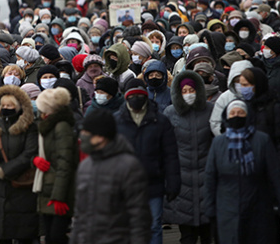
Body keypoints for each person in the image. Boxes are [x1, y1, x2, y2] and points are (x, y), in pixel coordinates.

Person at [205, 100, 280, 243]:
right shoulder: (219, 143)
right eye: (232, 113)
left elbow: (275, 174)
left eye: (241, 113)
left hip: (258, 208)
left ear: (248, 116)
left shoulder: (262, 140)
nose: (236, 116)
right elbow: (210, 176)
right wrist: (209, 206)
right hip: (227, 209)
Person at [71, 109, 152, 243]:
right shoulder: (85, 167)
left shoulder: (129, 167)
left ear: (101, 137)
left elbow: (139, 217)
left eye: (86, 133)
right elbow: (80, 216)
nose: (82, 136)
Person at [115, 79, 181, 244]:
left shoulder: (160, 120)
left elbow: (170, 154)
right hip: (125, 185)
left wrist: (173, 182)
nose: (136, 98)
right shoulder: (117, 121)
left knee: (153, 225)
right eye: (132, 95)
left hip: (153, 182)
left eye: (139, 95)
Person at [0, 85, 39, 244]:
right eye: (4, 105)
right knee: (2, 234)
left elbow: (29, 153)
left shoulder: (29, 128)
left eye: (10, 105)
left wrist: (5, 170)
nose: (6, 108)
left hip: (21, 187)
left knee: (24, 234)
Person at [164, 71, 214, 243]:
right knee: (187, 236)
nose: (188, 94)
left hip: (206, 177)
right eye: (183, 91)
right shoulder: (170, 113)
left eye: (190, 90)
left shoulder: (210, 110)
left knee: (208, 233)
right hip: (182, 179)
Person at [35, 87, 78, 244]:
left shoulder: (61, 127)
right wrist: (35, 160)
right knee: (50, 237)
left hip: (57, 191)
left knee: (56, 237)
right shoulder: (46, 126)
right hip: (48, 188)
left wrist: (59, 197)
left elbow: (65, 162)